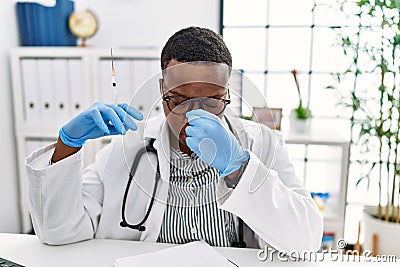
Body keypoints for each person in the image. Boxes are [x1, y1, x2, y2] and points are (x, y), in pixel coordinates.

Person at [26, 26, 323, 252]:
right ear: (161, 89)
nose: (192, 114)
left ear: (227, 92)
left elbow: (305, 240)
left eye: (212, 101)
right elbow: (58, 231)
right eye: (178, 99)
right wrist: (68, 143)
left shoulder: (262, 143)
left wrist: (238, 168)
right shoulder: (127, 148)